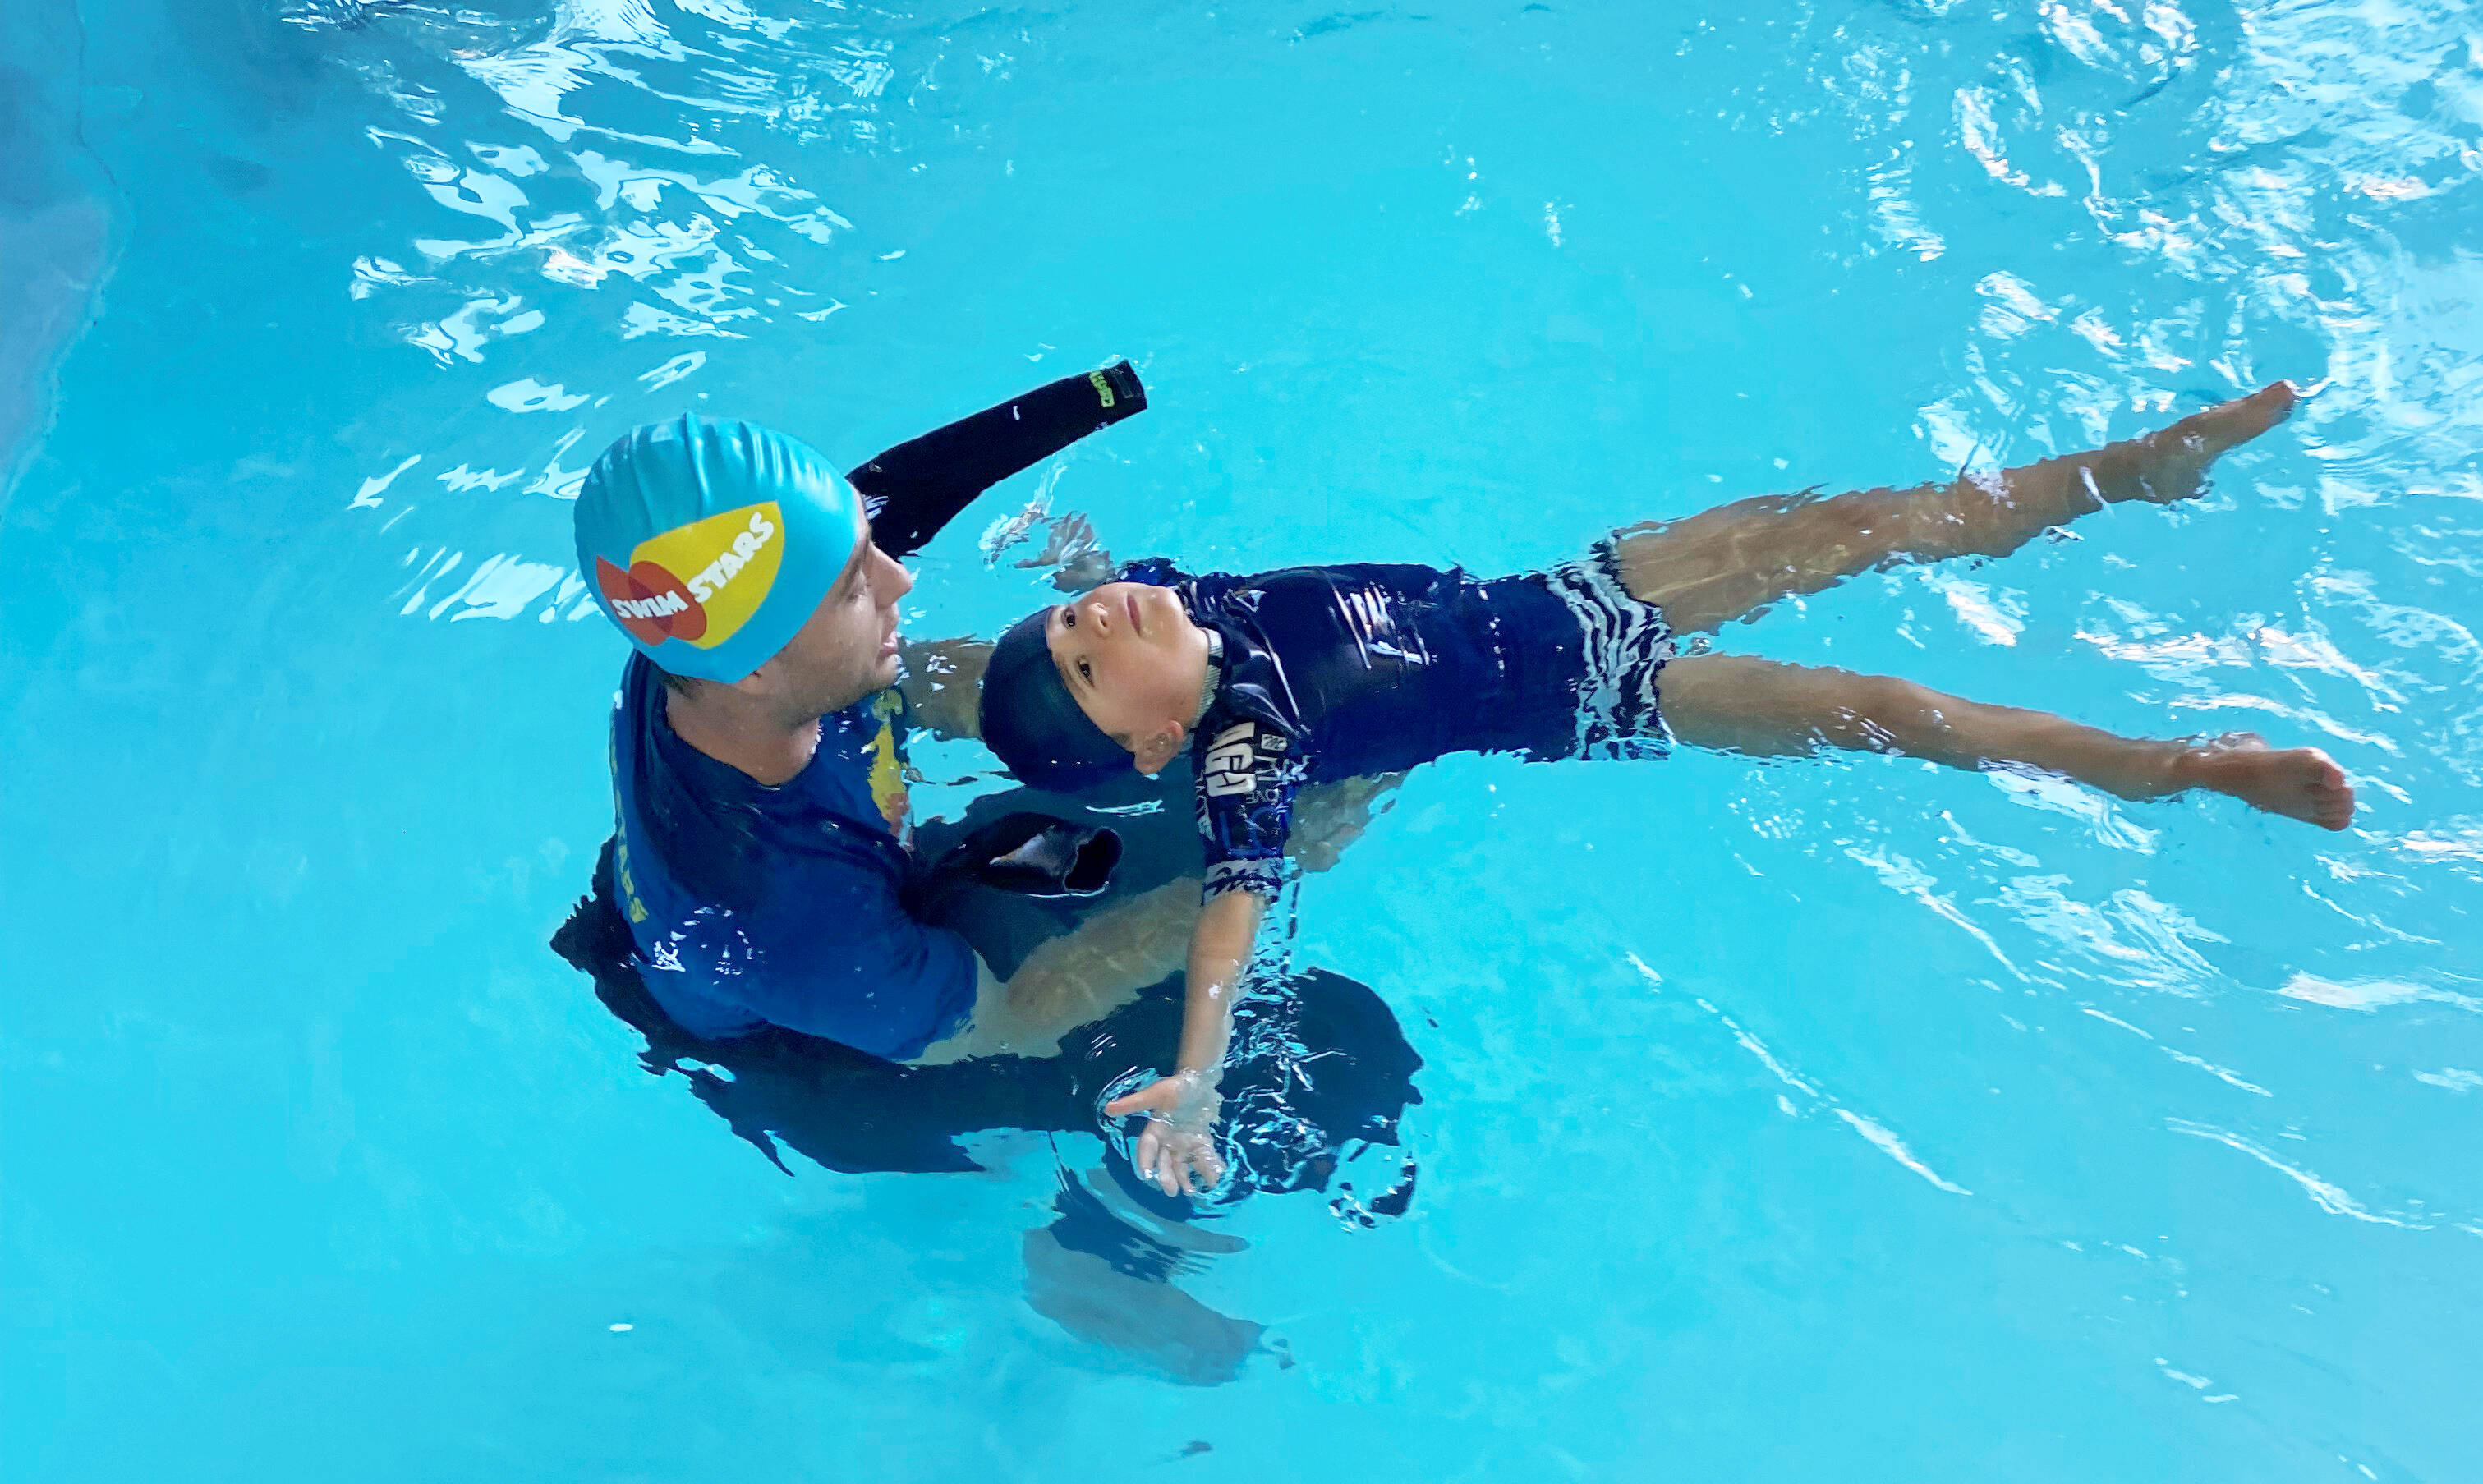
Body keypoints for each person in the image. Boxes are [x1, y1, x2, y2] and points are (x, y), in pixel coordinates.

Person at [975, 381, 2357, 1196]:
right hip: (1594, 691)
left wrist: (1064, 568)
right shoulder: (1243, 751)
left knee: (1890, 519)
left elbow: (1108, 599)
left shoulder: (1181, 599)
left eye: (1084, 621)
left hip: (1590, 588)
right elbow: (1229, 918)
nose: (1101, 622)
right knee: (1884, 711)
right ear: (1151, 747)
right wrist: (1200, 1083)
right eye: (1088, 660)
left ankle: (2132, 471)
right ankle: (2175, 769)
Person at [574, 364, 1219, 1064]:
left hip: (841, 899)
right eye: (856, 585)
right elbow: (1015, 1021)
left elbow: (918, 675)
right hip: (812, 1048)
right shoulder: (786, 924)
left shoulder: (703, 654)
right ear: (759, 667)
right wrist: (1231, 883)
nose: (898, 578)